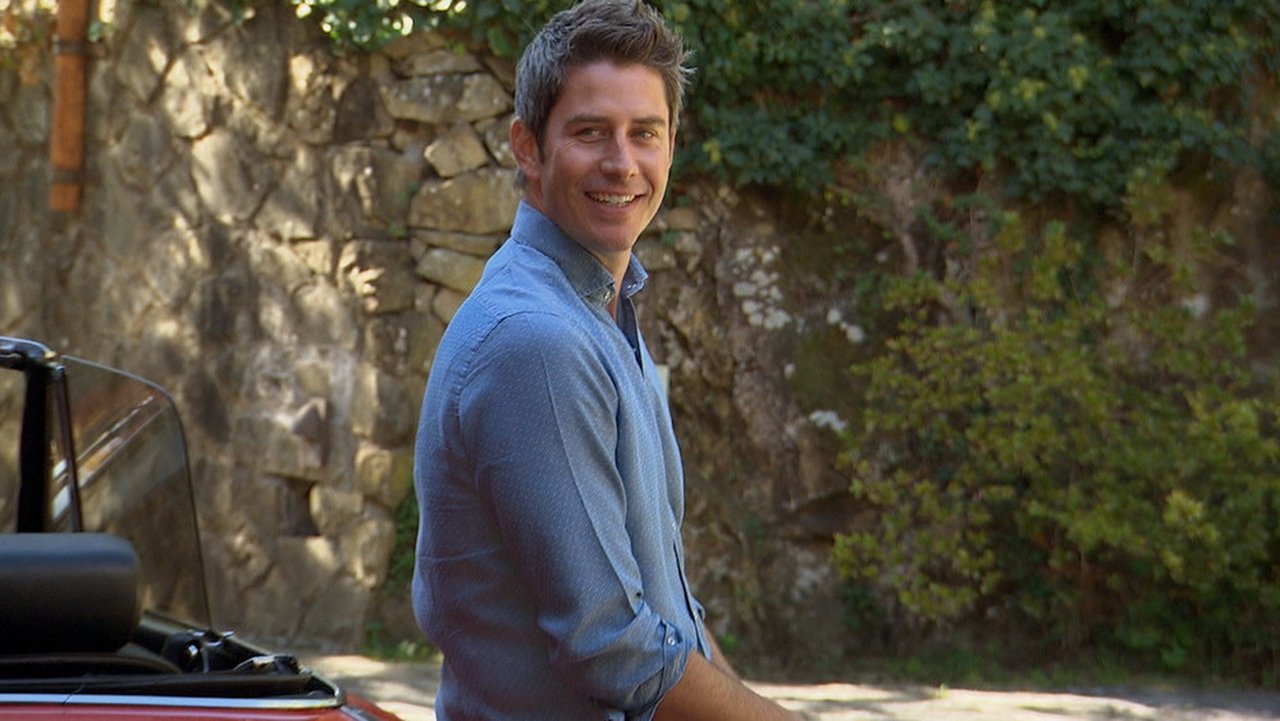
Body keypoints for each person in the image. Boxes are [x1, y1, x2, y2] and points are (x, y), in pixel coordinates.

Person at [411, 1, 802, 719]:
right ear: (528, 147)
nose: (623, 163)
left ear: (671, 146)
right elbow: (615, 648)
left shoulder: (600, 312)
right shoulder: (538, 342)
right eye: (590, 132)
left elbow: (667, 613)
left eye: (644, 133)